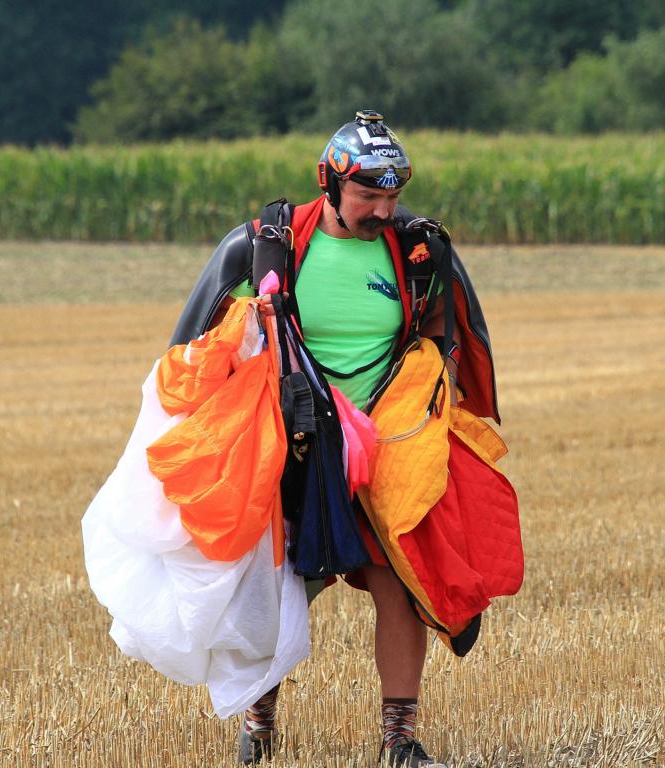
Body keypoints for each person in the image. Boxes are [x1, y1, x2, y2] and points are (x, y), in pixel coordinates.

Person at [168, 110, 503, 768]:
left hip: (386, 444)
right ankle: (260, 721)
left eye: (392, 196)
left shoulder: (418, 252)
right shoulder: (266, 246)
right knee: (281, 589)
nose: (383, 210)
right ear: (330, 183)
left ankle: (399, 740)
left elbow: (449, 332)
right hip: (296, 442)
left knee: (401, 580)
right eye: (368, 195)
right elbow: (196, 344)